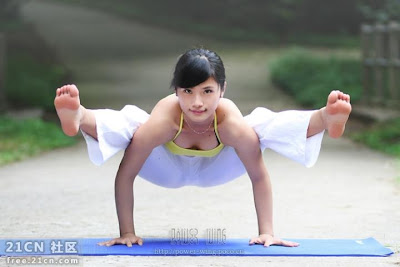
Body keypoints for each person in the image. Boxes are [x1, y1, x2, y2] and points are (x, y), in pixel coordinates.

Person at [54, 48, 351, 248]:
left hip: (219, 167)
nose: (197, 103)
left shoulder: (229, 121)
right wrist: (127, 232)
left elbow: (259, 176)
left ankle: (324, 118)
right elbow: (126, 173)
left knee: (258, 126)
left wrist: (267, 232)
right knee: (133, 124)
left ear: (222, 89)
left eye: (207, 91)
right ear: (175, 90)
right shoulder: (165, 118)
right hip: (163, 168)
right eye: (188, 92)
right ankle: (80, 116)